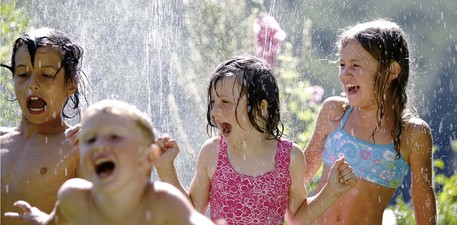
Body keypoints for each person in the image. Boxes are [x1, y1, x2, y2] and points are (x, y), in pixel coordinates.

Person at [156, 55, 357, 225]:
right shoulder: (213, 152)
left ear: (261, 108)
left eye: (225, 102)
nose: (215, 111)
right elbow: (190, 212)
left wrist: (331, 192)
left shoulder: (290, 157)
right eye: (213, 102)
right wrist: (166, 168)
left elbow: (297, 218)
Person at [303, 19, 437, 225]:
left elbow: (423, 202)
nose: (345, 73)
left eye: (355, 65)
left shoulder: (412, 134)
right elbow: (300, 176)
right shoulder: (334, 113)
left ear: (392, 71)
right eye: (342, 65)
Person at [7, 99, 219, 225]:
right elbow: (55, 222)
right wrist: (39, 219)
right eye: (90, 138)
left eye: (115, 137)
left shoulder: (160, 201)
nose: (100, 145)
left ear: (147, 157)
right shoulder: (75, 197)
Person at [1, 27, 85, 225]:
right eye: (23, 74)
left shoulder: (76, 148)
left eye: (46, 75)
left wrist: (48, 222)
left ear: (71, 85)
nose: (32, 84)